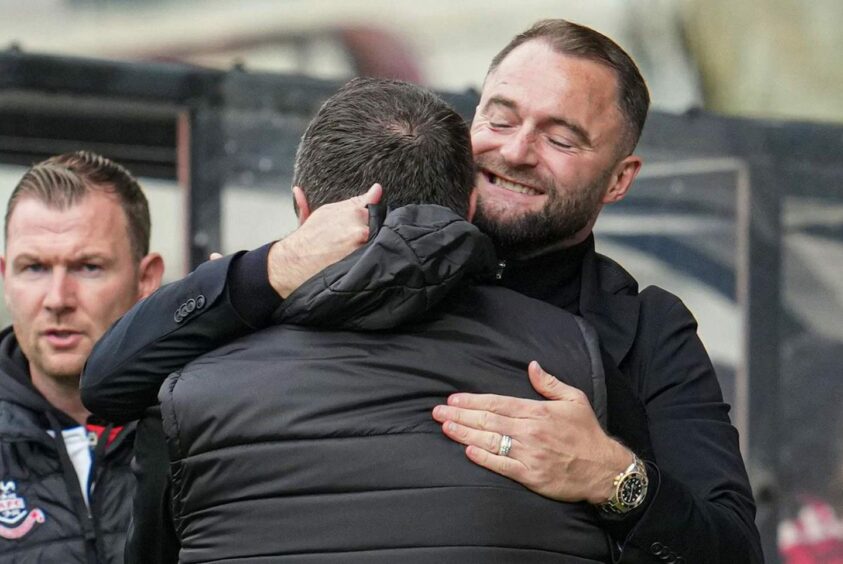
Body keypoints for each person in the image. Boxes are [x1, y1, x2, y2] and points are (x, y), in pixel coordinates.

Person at [82, 19, 763, 563]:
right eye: (499, 118)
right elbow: (109, 382)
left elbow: (729, 548)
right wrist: (272, 268)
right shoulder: (301, 283)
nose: (516, 150)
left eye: (561, 137)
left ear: (619, 179)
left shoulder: (640, 332)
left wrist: (615, 480)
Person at [170, 78, 613, 561]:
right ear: (469, 207)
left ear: (302, 210)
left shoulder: (195, 379)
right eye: (502, 121)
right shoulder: (572, 357)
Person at [0, 151, 163, 562]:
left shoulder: (202, 428)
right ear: (5, 278)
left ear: (146, 279)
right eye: (34, 267)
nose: (58, 299)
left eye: (88, 267)